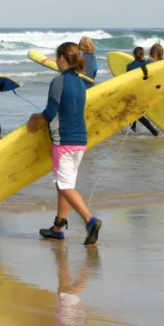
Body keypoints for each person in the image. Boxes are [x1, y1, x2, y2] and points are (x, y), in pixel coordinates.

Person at [28, 42, 101, 245]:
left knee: (63, 185)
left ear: (61, 58)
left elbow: (50, 113)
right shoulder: (81, 82)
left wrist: (34, 117)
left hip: (63, 141)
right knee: (65, 184)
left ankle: (90, 220)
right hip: (80, 140)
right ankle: (58, 227)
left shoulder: (58, 81)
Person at [125, 47, 159, 136]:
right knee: (134, 112)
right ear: (143, 54)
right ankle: (133, 129)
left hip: (134, 92)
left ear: (133, 55)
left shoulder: (130, 66)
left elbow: (128, 81)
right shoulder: (148, 64)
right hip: (146, 92)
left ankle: (153, 131)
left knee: (136, 113)